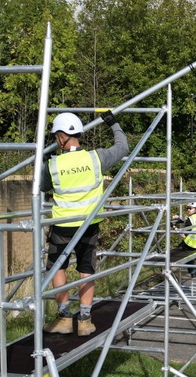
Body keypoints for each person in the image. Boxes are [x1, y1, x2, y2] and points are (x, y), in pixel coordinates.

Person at [42, 111, 129, 336]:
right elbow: (122, 147)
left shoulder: (53, 165)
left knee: (56, 267)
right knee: (86, 269)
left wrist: (46, 161)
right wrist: (113, 124)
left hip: (63, 226)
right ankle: (84, 320)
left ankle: (63, 317)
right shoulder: (96, 158)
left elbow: (42, 187)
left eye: (55, 137)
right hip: (89, 225)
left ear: (62, 137)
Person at [172, 201, 196, 278]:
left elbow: (183, 235)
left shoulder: (190, 219)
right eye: (187, 208)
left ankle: (192, 271)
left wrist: (174, 227)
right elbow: (191, 221)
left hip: (191, 244)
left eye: (190, 208)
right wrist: (179, 218)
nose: (188, 210)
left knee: (185, 254)